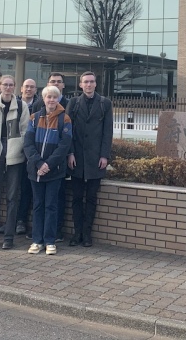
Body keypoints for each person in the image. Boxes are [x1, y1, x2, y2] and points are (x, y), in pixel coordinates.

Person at [0, 75, 30, 250]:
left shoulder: (22, 106)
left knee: (12, 198)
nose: (8, 88)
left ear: (15, 87)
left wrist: (17, 150)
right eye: (5, 85)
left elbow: (25, 132)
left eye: (11, 85)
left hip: (14, 156)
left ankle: (9, 237)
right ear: (0, 86)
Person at [24, 85, 72, 255]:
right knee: (38, 205)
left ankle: (50, 240)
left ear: (58, 99)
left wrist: (48, 165)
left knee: (51, 206)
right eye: (48, 97)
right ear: (43, 99)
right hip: (35, 171)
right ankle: (37, 241)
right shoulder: (34, 118)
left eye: (54, 97)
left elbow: (64, 146)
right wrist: (38, 163)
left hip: (54, 171)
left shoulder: (64, 119)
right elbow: (28, 144)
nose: (51, 100)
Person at [66, 71, 113, 247]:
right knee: (77, 198)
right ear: (80, 84)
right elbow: (67, 130)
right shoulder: (74, 102)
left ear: (96, 84)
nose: (88, 85)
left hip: (95, 159)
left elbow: (108, 131)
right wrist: (69, 153)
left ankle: (87, 234)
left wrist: (104, 156)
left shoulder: (105, 103)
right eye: (85, 82)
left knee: (92, 198)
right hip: (76, 158)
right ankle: (77, 233)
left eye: (92, 81)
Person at [15, 78, 41, 236]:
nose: (29, 89)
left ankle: (21, 220)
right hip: (15, 152)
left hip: (32, 154)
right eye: (26, 87)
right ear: (21, 89)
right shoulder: (15, 105)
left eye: (32, 87)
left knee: (26, 189)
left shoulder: (39, 105)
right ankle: (14, 220)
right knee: (13, 188)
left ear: (35, 90)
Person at [47, 71, 69, 242]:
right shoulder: (41, 104)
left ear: (63, 86)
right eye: (52, 81)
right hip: (40, 161)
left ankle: (57, 230)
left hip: (60, 160)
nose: (55, 83)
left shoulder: (69, 104)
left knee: (58, 197)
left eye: (58, 82)